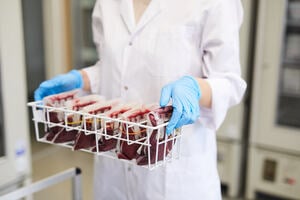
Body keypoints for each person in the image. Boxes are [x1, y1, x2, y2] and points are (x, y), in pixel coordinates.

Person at [34, 0, 246, 199]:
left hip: (174, 173)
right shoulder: (107, 3)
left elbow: (229, 82)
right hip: (114, 165)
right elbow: (112, 66)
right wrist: (82, 79)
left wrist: (196, 88)